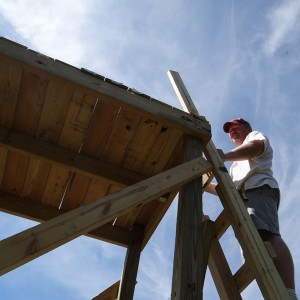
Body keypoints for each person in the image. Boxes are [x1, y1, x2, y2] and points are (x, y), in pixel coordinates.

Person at [204, 118, 297, 299]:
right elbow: (227, 189)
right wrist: (205, 187)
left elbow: (256, 147)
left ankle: (288, 292)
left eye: (235, 127)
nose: (232, 132)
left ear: (246, 128)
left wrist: (223, 156)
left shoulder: (254, 137)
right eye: (229, 131)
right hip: (243, 197)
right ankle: (274, 290)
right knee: (252, 245)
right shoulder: (234, 167)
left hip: (258, 188)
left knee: (267, 234)